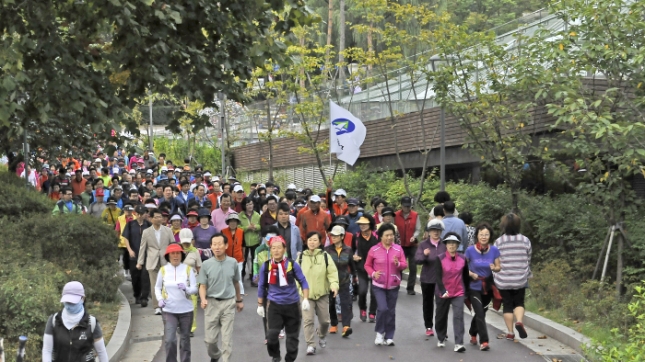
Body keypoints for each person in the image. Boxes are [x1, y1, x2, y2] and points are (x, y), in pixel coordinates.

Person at [257, 236, 310, 362]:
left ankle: (289, 359)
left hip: (292, 305)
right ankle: (275, 355)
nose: (276, 251)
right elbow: (261, 285)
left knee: (292, 338)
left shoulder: (292, 265)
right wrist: (260, 304)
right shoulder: (266, 266)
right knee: (271, 336)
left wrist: (306, 299)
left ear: (284, 249)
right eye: (273, 248)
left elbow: (303, 281)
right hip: (274, 305)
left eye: (279, 248)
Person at [198, 233, 244, 362]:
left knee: (226, 339)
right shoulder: (206, 264)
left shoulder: (232, 262)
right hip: (211, 303)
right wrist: (203, 299)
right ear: (211, 246)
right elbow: (202, 285)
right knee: (210, 340)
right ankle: (216, 356)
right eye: (214, 244)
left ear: (226, 245)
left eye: (220, 244)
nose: (217, 247)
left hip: (228, 303)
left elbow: (236, 283)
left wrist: (239, 300)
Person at [42, 281, 109, 362]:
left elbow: (101, 352)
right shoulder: (54, 321)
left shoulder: (92, 323)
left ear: (83, 299)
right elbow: (47, 350)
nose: (69, 305)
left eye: (73, 302)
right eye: (67, 302)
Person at [364, 223, 407, 346]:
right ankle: (379, 333)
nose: (389, 238)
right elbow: (367, 265)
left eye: (391, 235)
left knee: (391, 311)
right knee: (382, 308)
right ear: (381, 236)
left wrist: (398, 264)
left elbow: (404, 264)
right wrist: (373, 274)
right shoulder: (374, 250)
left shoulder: (398, 249)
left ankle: (389, 336)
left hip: (394, 285)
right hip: (379, 285)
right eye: (387, 235)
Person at [298, 231, 339, 355]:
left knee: (325, 321)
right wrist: (298, 289)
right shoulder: (300, 257)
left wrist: (334, 286)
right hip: (306, 296)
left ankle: (321, 335)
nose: (312, 242)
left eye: (315, 240)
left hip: (322, 294)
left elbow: (332, 273)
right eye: (310, 239)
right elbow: (295, 275)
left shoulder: (325, 256)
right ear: (306, 241)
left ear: (320, 242)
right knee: (308, 320)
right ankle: (311, 345)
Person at [155, 244, 198, 362]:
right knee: (170, 340)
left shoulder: (188, 269)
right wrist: (159, 299)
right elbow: (157, 287)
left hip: (186, 310)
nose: (175, 256)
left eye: (178, 253)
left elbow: (195, 289)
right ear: (168, 256)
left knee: (185, 340)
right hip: (169, 310)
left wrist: (186, 289)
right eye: (172, 253)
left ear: (181, 255)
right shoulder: (163, 270)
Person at [493, 213, 532, 340]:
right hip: (520, 278)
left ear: (503, 225)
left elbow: (495, 260)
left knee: (507, 305)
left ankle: (510, 332)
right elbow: (528, 258)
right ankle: (519, 321)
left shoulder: (499, 242)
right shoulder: (525, 240)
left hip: (503, 279)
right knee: (519, 302)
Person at [465, 222, 501, 351]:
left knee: (482, 313)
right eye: (481, 234)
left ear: (490, 236)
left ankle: (473, 332)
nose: (484, 237)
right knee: (479, 312)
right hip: (474, 286)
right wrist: (471, 274)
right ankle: (484, 341)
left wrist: (494, 268)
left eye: (486, 234)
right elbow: (463, 267)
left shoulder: (494, 250)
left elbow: (498, 267)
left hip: (488, 287)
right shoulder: (469, 250)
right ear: (477, 236)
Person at [435, 233, 469, 353]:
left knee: (458, 316)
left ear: (458, 245)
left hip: (458, 291)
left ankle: (459, 343)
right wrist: (443, 290)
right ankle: (441, 337)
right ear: (446, 245)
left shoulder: (463, 258)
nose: (451, 245)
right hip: (443, 291)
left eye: (454, 243)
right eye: (449, 243)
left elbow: (465, 276)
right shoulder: (440, 258)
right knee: (441, 316)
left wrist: (467, 292)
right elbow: (438, 277)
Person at [137, 208, 175, 315]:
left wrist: (174, 259)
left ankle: (167, 304)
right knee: (155, 285)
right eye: (156, 217)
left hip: (166, 261)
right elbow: (142, 248)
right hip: (152, 261)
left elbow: (173, 245)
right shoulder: (146, 232)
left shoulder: (168, 230)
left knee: (167, 284)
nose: (159, 219)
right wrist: (140, 262)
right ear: (151, 219)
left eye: (160, 217)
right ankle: (157, 306)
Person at [414, 218, 447, 337]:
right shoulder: (423, 245)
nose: (436, 232)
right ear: (429, 231)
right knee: (428, 303)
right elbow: (417, 260)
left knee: (442, 304)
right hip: (427, 279)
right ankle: (428, 326)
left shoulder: (445, 244)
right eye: (433, 230)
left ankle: (441, 328)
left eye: (438, 230)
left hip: (442, 280)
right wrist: (424, 255)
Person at [325, 225, 355, 337]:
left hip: (344, 279)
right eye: (332, 235)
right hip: (331, 281)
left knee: (345, 303)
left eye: (336, 235)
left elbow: (351, 265)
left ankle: (346, 326)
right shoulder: (327, 250)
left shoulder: (348, 250)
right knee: (331, 303)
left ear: (342, 236)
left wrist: (354, 277)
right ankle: (334, 324)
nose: (333, 237)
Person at [123, 205, 152, 307]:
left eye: (144, 213)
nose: (142, 216)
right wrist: (129, 250)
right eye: (140, 214)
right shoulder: (130, 225)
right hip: (134, 255)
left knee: (145, 276)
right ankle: (137, 296)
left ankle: (144, 297)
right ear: (137, 214)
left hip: (146, 255)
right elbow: (126, 238)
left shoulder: (148, 225)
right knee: (135, 277)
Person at [352, 215, 378, 323]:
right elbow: (351, 250)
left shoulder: (376, 236)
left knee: (374, 292)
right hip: (361, 268)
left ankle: (372, 313)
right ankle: (363, 309)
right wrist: (353, 256)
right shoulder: (356, 237)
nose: (362, 226)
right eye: (360, 224)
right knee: (362, 291)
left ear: (370, 224)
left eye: (365, 224)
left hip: (376, 268)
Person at [394, 196, 421, 295]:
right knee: (400, 266)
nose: (407, 208)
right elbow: (393, 228)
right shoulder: (396, 215)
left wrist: (414, 236)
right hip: (400, 245)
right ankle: (397, 284)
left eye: (408, 206)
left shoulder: (415, 215)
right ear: (401, 205)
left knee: (413, 267)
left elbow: (418, 228)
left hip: (412, 245)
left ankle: (410, 288)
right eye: (405, 206)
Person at [179, 228, 202, 336]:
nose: (186, 243)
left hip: (193, 281)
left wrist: (202, 283)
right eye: (184, 241)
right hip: (179, 282)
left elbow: (199, 267)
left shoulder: (195, 251)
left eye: (188, 241)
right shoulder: (177, 250)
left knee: (193, 306)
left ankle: (191, 328)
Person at [239, 197, 261, 286]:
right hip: (243, 241)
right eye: (247, 204)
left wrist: (255, 227)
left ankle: (254, 278)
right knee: (243, 260)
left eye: (251, 204)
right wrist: (247, 228)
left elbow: (260, 226)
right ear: (244, 206)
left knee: (254, 260)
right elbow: (238, 227)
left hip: (255, 241)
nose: (250, 206)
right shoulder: (240, 215)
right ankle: (241, 277)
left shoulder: (257, 215)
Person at [222, 212, 245, 295]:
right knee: (227, 276)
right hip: (226, 258)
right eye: (231, 221)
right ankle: (227, 291)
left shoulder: (241, 232)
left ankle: (240, 292)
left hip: (238, 257)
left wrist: (243, 255)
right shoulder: (223, 231)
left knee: (238, 276)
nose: (233, 223)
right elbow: (222, 245)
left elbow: (243, 245)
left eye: (234, 221)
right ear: (228, 222)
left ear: (237, 223)